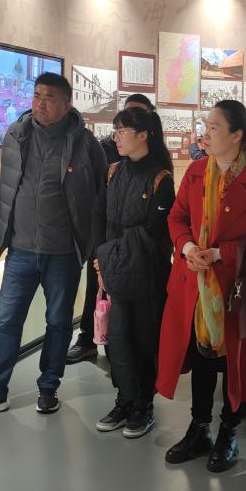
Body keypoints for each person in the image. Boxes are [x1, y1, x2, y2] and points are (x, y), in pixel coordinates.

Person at [0, 72, 106, 420]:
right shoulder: (17, 134)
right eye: (37, 95)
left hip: (63, 252)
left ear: (67, 104)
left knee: (58, 322)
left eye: (49, 97)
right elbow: (8, 188)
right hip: (21, 249)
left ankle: (48, 388)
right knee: (6, 320)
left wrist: (91, 247)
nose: (40, 103)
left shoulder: (86, 144)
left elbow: (100, 198)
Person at [156, 100, 246, 472]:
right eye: (206, 126)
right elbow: (177, 217)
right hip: (194, 283)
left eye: (214, 127)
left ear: (237, 135)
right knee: (201, 356)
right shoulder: (196, 171)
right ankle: (199, 428)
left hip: (235, 288)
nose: (205, 134)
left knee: (233, 363)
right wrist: (189, 248)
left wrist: (220, 254)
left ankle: (229, 431)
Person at [90, 107, 174, 438]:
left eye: (122, 131)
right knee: (118, 341)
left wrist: (110, 258)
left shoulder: (161, 179)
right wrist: (100, 262)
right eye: (116, 131)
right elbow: (100, 218)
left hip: (146, 274)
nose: (116, 138)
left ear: (143, 135)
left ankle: (143, 404)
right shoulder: (113, 172)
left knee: (143, 340)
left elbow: (153, 234)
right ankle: (124, 399)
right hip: (114, 268)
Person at [67, 93, 156, 366]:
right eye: (121, 121)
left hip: (133, 253)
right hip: (105, 241)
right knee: (96, 292)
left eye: (133, 119)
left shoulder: (157, 168)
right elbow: (98, 203)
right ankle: (89, 338)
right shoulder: (106, 149)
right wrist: (101, 250)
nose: (119, 134)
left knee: (131, 316)